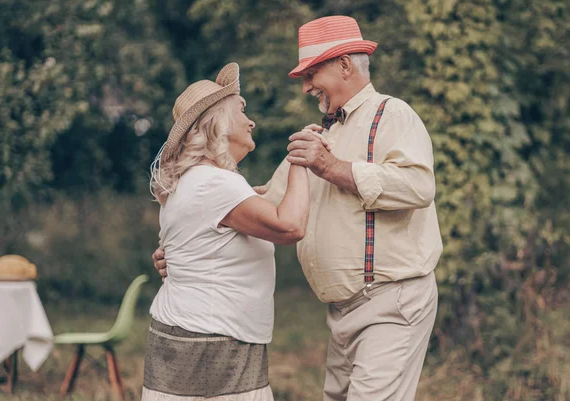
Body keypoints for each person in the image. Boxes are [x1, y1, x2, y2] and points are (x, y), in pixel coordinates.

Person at [154, 16, 442, 401]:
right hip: (342, 311)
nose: (306, 86)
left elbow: (419, 186)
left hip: (391, 300)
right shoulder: (319, 136)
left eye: (312, 73)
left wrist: (333, 167)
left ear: (344, 65)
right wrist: (188, 243)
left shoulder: (392, 115)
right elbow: (259, 204)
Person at [143, 62, 329, 401]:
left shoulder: (192, 181)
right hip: (213, 338)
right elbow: (289, 226)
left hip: (193, 333)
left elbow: (253, 205)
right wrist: (301, 162)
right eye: (241, 111)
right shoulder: (214, 183)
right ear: (219, 124)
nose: (251, 121)